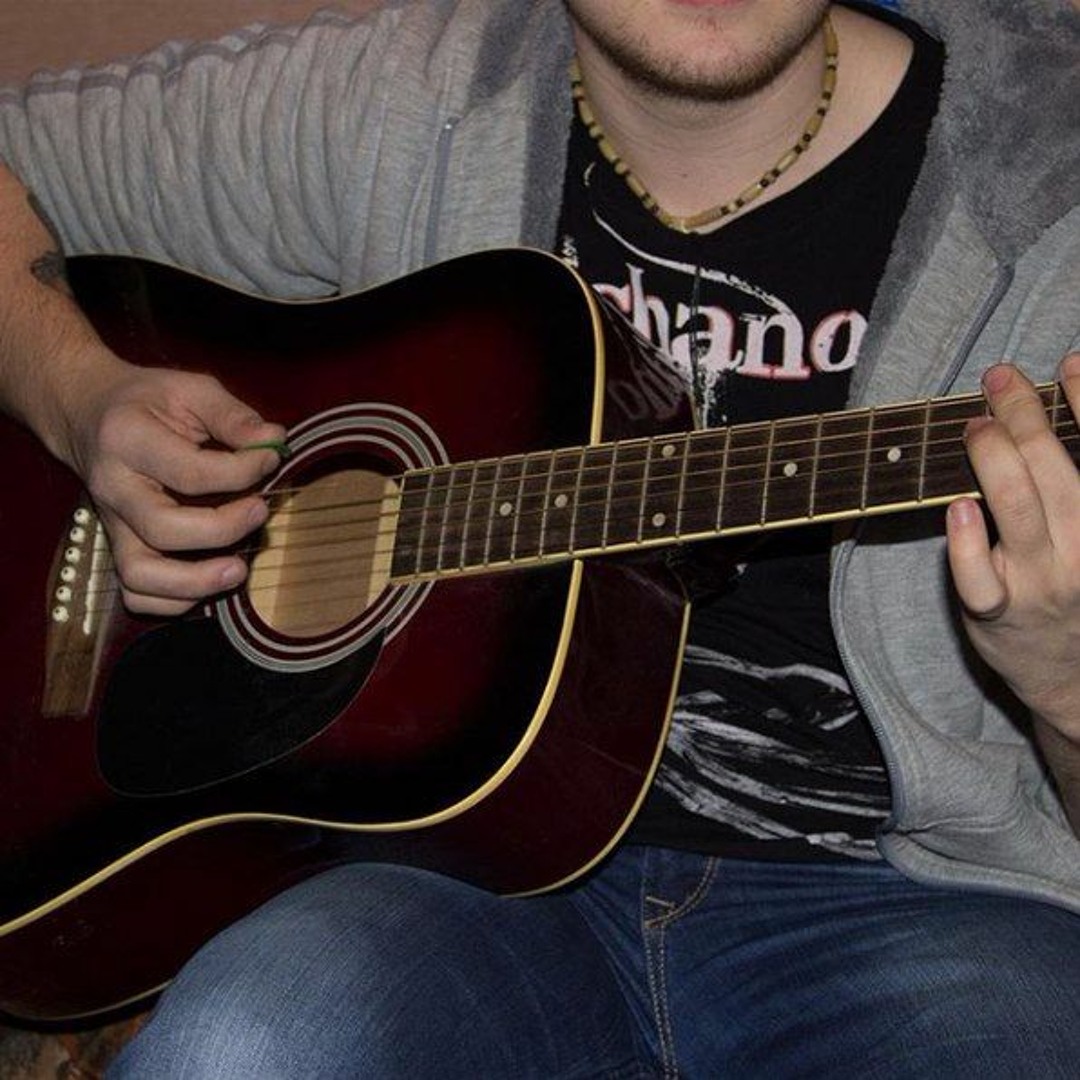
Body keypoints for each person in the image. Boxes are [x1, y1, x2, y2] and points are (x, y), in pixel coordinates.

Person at [0, 0, 1078, 1075]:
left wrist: (1066, 684)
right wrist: (78, 394)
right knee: (235, 1052)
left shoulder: (1048, 182)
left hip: (913, 910)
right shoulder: (408, 94)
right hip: (450, 884)